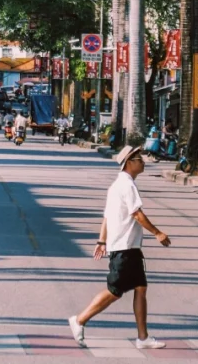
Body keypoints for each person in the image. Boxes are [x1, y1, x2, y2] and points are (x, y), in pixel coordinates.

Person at [68, 144, 171, 350]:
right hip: (124, 248)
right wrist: (157, 233)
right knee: (114, 291)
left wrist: (101, 241)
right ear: (129, 163)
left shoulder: (117, 185)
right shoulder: (127, 185)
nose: (143, 162)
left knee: (141, 288)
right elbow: (137, 214)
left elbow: (107, 216)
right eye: (139, 159)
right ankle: (79, 320)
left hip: (129, 247)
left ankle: (143, 337)